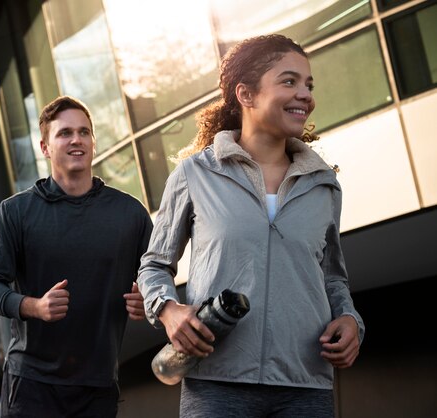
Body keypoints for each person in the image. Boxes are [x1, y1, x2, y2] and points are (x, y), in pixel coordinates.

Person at [137, 34, 365, 418]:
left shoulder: (324, 185)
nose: (305, 95)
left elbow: (332, 279)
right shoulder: (196, 174)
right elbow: (154, 265)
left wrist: (351, 321)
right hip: (216, 385)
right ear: (246, 94)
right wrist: (168, 309)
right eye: (289, 81)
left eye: (309, 85)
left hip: (305, 387)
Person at [0, 95, 153, 417]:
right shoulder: (16, 212)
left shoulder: (130, 213)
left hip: (98, 386)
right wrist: (33, 306)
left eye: (84, 132)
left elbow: (157, 274)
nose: (76, 140)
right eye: (65, 133)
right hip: (31, 384)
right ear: (45, 147)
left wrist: (148, 301)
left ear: (94, 143)